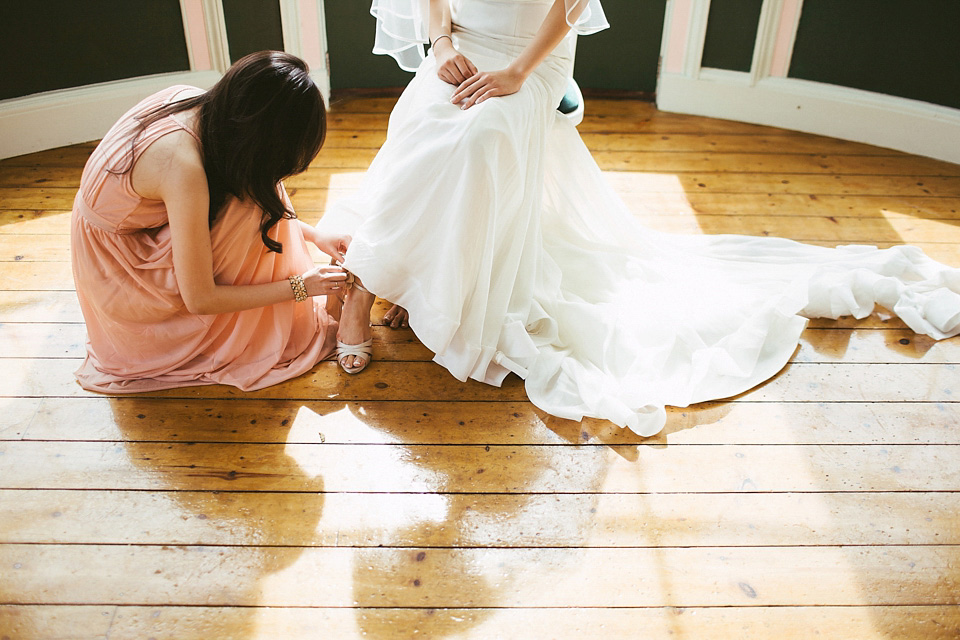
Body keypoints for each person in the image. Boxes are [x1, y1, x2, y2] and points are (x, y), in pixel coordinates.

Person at [326, 0, 960, 436]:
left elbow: (569, 5)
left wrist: (517, 73)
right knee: (424, 121)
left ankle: (380, 277)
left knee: (482, 137)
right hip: (460, 42)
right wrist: (439, 46)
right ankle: (384, 278)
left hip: (530, 58)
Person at [71, 51, 354, 393]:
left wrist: (315, 236)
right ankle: (272, 333)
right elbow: (200, 299)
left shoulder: (193, 100)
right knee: (252, 198)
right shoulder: (181, 167)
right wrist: (300, 287)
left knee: (256, 184)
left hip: (127, 233)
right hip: (119, 270)